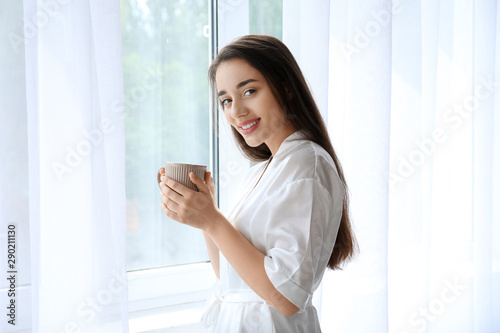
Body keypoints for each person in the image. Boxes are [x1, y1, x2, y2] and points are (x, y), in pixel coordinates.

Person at [158, 34, 357, 332]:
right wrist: (205, 215)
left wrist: (213, 221)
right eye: (226, 100)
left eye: (249, 91)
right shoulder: (262, 170)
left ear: (286, 88)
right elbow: (231, 278)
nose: (236, 112)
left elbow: (287, 297)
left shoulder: (307, 163)